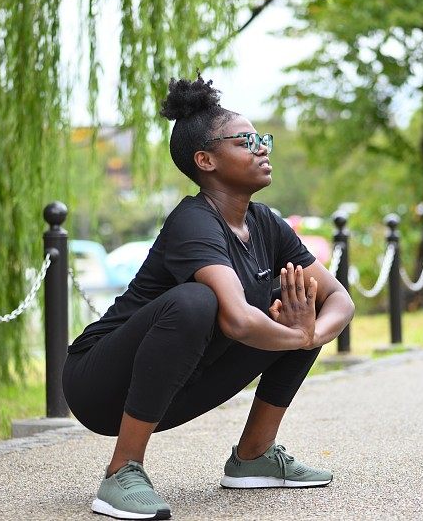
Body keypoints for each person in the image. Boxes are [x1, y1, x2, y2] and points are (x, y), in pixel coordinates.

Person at [62, 74, 354, 520]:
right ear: (206, 160)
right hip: (98, 384)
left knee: (303, 299)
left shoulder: (266, 223)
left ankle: (254, 456)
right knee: (197, 301)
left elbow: (339, 299)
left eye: (262, 139)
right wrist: (300, 337)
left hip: (179, 379)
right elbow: (237, 320)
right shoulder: (194, 221)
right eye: (246, 141)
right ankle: (122, 471)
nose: (262, 148)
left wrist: (308, 331)